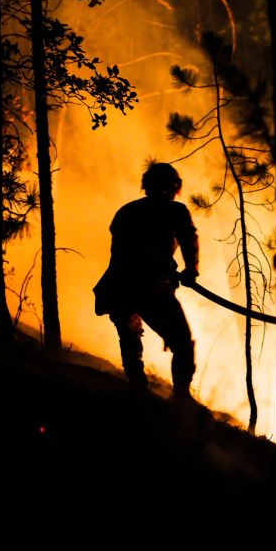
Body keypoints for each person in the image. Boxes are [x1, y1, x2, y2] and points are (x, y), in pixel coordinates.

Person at [93, 162, 199, 400]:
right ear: (174, 187)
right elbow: (188, 240)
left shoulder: (126, 211)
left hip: (118, 285)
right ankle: (180, 396)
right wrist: (191, 270)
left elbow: (120, 250)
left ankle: (137, 387)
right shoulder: (176, 211)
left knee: (130, 334)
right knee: (181, 341)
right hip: (152, 287)